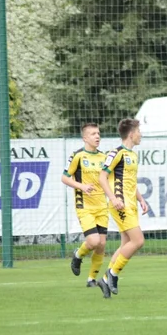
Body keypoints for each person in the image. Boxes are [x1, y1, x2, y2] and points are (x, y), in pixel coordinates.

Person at [96, 118, 150, 298]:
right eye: (139, 131)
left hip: (131, 204)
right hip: (120, 204)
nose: (141, 134)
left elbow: (130, 182)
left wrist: (141, 199)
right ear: (131, 133)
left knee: (127, 244)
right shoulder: (116, 153)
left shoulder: (133, 155)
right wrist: (113, 198)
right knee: (138, 241)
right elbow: (102, 177)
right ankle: (113, 274)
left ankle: (105, 278)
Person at [62, 123, 108, 288]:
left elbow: (109, 180)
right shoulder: (78, 156)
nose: (97, 136)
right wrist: (81, 186)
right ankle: (78, 254)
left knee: (101, 245)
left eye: (98, 133)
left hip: (102, 206)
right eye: (93, 134)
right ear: (85, 138)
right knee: (94, 241)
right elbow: (65, 177)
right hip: (85, 206)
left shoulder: (104, 157)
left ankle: (91, 280)